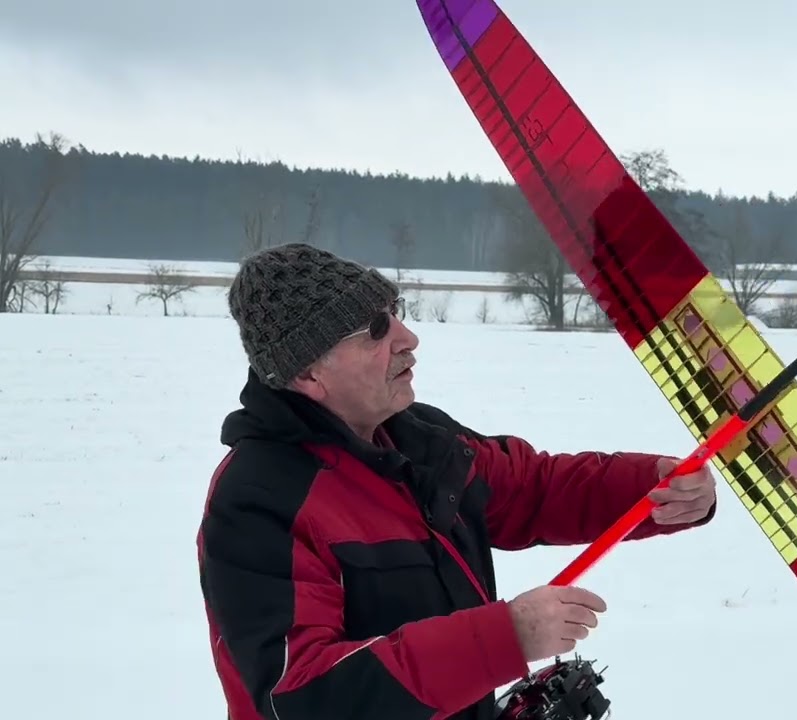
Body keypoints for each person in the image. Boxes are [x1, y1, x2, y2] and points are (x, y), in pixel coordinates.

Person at [197, 243, 717, 720]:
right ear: (310, 372)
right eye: (376, 330)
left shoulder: (417, 439)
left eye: (396, 314)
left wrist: (651, 487)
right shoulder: (258, 502)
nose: (408, 339)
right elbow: (304, 696)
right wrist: (501, 639)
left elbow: (532, 489)